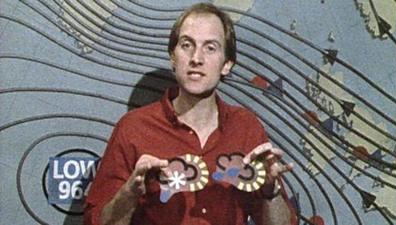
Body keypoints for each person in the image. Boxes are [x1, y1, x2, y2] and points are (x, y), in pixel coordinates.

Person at [84, 3, 297, 225]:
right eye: (187, 45)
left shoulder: (246, 127)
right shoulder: (133, 128)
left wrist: (270, 191)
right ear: (173, 57)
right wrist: (129, 193)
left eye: (210, 48)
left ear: (227, 64)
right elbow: (96, 222)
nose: (196, 58)